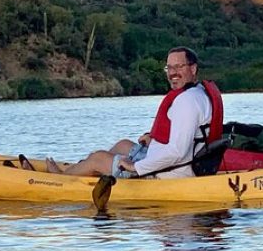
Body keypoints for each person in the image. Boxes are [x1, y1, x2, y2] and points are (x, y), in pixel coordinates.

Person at [37, 47, 223, 178]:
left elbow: (177, 152)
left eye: (179, 67)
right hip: (174, 161)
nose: (173, 72)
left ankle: (61, 178)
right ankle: (84, 170)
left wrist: (136, 167)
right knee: (123, 145)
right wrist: (154, 138)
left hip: (172, 171)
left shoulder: (186, 100)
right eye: (170, 67)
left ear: (193, 68)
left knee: (97, 158)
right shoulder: (197, 92)